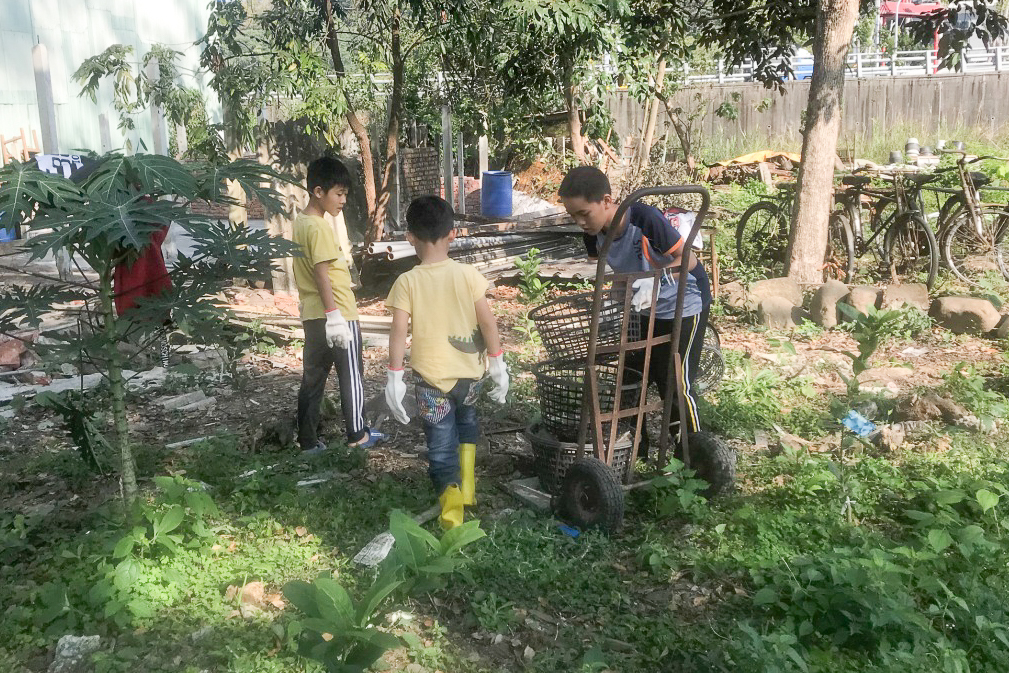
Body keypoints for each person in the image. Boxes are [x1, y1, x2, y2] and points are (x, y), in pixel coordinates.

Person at [558, 166, 711, 450]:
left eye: (584, 213)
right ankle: (632, 446)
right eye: (572, 215)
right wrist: (613, 298)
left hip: (684, 301)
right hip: (642, 306)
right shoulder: (592, 234)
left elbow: (687, 260)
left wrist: (655, 280)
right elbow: (616, 275)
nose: (579, 221)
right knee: (631, 376)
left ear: (606, 201)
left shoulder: (644, 218)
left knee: (674, 380)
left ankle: (691, 451)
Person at [384, 196, 509, 529]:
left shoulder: (406, 282)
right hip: (470, 377)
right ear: (453, 234)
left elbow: (398, 333)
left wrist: (394, 377)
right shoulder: (468, 275)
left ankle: (452, 515)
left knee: (440, 448)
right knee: (467, 429)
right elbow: (488, 322)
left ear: (409, 236)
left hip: (431, 384)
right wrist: (497, 363)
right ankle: (467, 490)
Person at [292, 156, 385, 454]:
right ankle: (357, 434)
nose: (344, 200)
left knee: (313, 379)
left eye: (345, 194)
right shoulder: (319, 228)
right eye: (339, 194)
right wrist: (334, 316)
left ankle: (307, 441)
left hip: (312, 316)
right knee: (352, 376)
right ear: (318, 192)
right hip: (339, 314)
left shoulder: (301, 222)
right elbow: (322, 273)